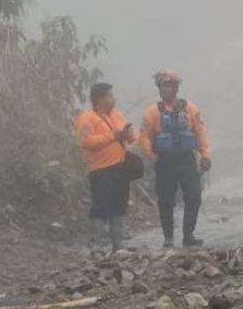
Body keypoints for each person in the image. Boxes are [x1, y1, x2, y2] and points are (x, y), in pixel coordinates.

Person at [140, 70, 211, 248]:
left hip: (186, 159)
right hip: (164, 161)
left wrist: (205, 155)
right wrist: (150, 155)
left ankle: (188, 235)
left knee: (194, 197)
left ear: (176, 87)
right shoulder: (152, 112)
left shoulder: (190, 109)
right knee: (165, 200)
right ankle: (168, 238)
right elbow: (144, 135)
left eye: (168, 86)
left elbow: (201, 132)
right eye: (162, 86)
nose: (165, 90)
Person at [74, 83, 136, 253]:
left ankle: (118, 245)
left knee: (119, 205)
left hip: (121, 168)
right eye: (110, 96)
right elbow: (86, 141)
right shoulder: (87, 117)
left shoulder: (117, 114)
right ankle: (96, 245)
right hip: (101, 169)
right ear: (100, 99)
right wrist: (112, 136)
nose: (113, 98)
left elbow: (131, 138)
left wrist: (129, 134)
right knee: (101, 205)